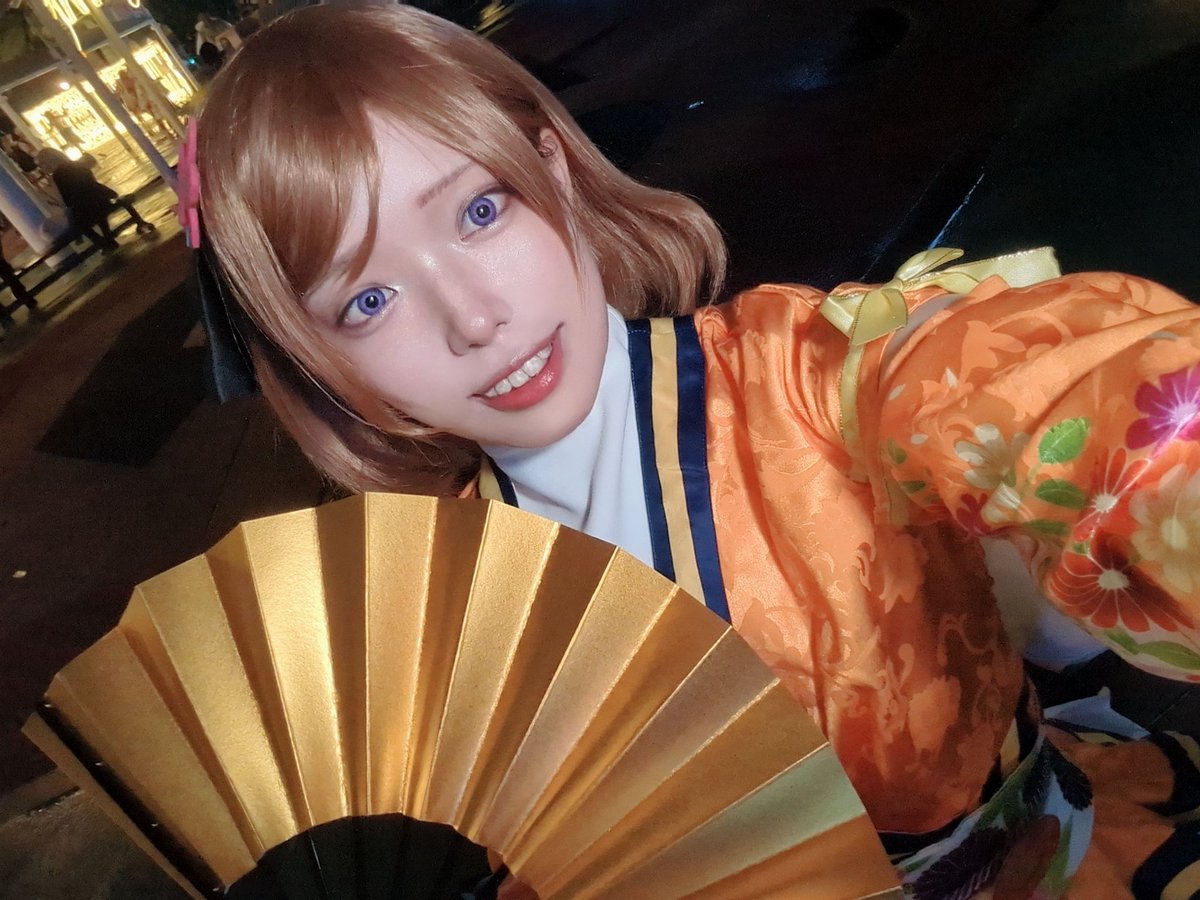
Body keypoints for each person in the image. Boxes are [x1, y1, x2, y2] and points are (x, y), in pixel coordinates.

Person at [193, 6, 1200, 897]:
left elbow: (1070, 393)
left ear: (552, 168)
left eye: (479, 211)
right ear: (319, 362)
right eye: (367, 300)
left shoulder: (813, 379)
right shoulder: (440, 602)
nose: (473, 318)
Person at [36, 148, 156, 252]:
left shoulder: (58, 175)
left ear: (49, 162)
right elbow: (92, 184)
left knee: (78, 222)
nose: (41, 168)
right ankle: (108, 237)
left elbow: (67, 200)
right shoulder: (77, 165)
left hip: (87, 209)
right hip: (101, 202)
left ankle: (102, 242)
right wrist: (109, 194)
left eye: (41, 164)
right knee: (95, 211)